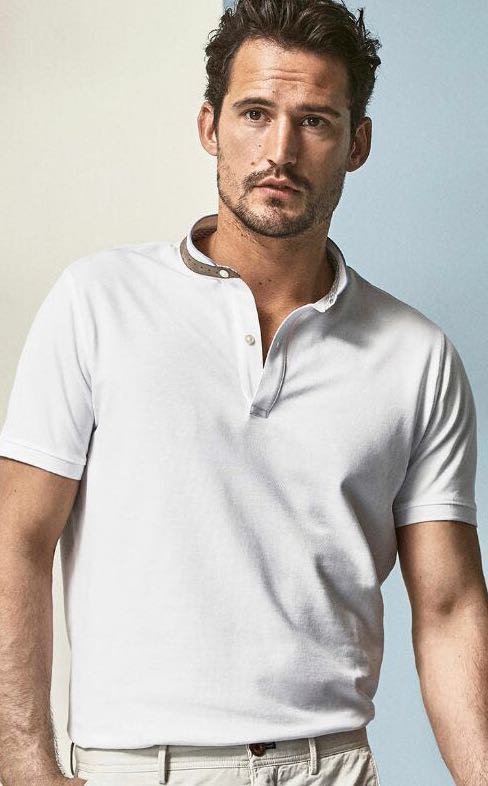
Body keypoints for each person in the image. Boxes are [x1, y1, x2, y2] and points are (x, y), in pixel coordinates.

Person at [0, 0, 487, 785]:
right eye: (255, 114)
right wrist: (24, 763)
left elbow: (450, 606)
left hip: (329, 767)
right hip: (138, 767)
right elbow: (16, 538)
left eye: (315, 121)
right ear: (210, 126)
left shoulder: (416, 355)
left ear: (357, 143)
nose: (280, 151)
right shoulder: (98, 302)